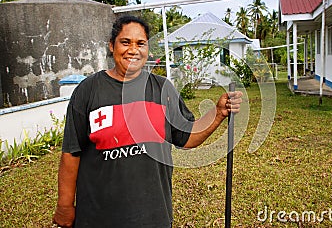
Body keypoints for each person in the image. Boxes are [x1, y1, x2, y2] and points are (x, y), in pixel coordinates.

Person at [52, 15, 243, 228]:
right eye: (125, 42)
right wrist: (65, 206)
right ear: (111, 46)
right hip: (98, 217)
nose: (133, 50)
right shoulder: (88, 91)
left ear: (147, 49)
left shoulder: (163, 89)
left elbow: (186, 136)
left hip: (153, 216)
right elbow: (71, 153)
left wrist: (218, 113)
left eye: (140, 43)